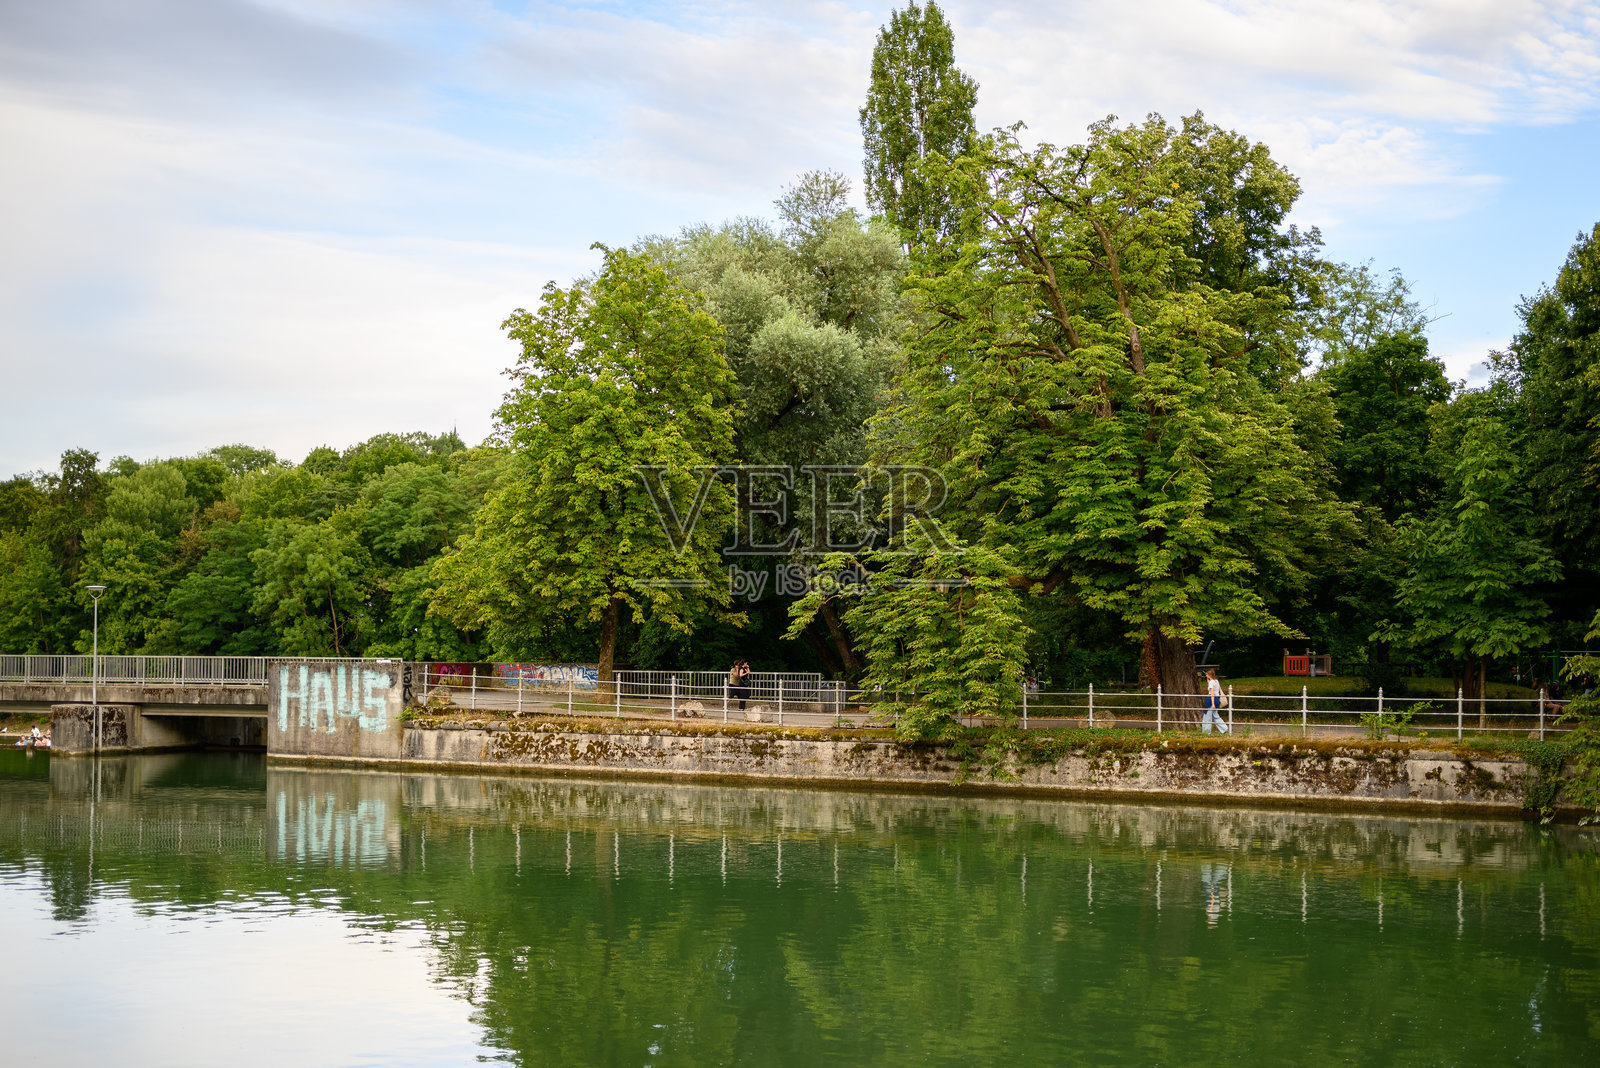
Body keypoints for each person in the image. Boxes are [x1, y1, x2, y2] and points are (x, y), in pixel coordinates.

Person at [1201, 668, 1228, 735]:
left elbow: (1212, 693)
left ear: (1209, 674)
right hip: (1217, 700)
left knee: (1207, 717)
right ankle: (1224, 728)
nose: (1206, 675)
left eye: (1207, 674)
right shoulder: (1216, 681)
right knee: (1215, 716)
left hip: (1211, 700)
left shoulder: (1211, 683)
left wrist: (1212, 703)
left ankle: (1206, 732)